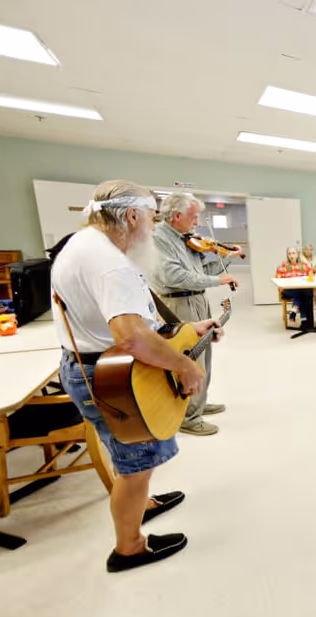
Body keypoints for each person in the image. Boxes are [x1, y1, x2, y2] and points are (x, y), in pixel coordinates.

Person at [52, 180, 224, 572]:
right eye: (151, 215)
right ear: (131, 215)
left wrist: (185, 332)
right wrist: (184, 365)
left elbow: (133, 323)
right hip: (113, 374)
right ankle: (129, 547)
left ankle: (142, 503)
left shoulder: (81, 243)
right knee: (135, 463)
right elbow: (130, 338)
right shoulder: (113, 264)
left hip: (92, 364)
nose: (153, 224)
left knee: (123, 449)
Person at [150, 193, 240, 437]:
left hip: (197, 298)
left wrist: (226, 258)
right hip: (179, 302)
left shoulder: (186, 239)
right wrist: (216, 279)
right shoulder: (159, 239)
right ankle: (189, 417)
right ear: (177, 216)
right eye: (194, 216)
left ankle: (199, 402)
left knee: (205, 354)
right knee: (191, 358)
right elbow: (173, 277)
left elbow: (202, 270)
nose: (198, 221)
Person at [275, 246, 311, 324]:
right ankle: (304, 320)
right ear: (287, 256)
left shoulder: (304, 265)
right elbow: (278, 282)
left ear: (297, 254)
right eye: (289, 254)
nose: (291, 255)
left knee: (303, 293)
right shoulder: (282, 267)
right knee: (303, 294)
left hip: (301, 289)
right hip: (287, 290)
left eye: (293, 253)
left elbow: (311, 278)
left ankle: (294, 311)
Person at [301, 243, 316, 310]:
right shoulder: (301, 258)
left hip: (314, 274)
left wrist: (310, 269)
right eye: (307, 249)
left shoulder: (315, 258)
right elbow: (302, 269)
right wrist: (311, 270)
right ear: (303, 250)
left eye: (310, 250)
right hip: (305, 275)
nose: (308, 251)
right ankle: (309, 301)